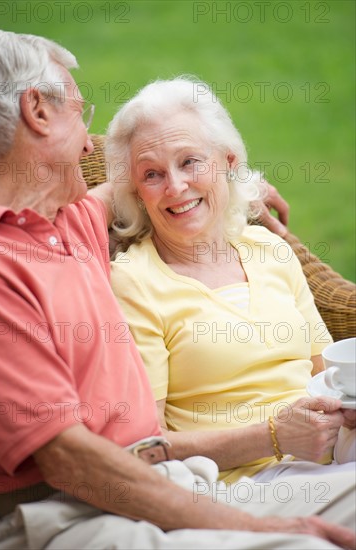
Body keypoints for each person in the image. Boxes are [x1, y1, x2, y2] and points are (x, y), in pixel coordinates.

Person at [0, 29, 355, 550]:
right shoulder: (0, 267)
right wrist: (271, 525)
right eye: (80, 112)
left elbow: (145, 181)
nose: (89, 141)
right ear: (38, 112)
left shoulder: (68, 221)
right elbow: (72, 463)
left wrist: (237, 183)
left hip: (170, 483)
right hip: (71, 507)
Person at [108, 77, 356, 485]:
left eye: (189, 161)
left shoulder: (269, 249)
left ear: (227, 161)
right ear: (135, 192)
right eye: (151, 174)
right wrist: (273, 437)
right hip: (244, 484)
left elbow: (326, 375)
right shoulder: (135, 282)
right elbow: (147, 447)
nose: (175, 187)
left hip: (334, 456)